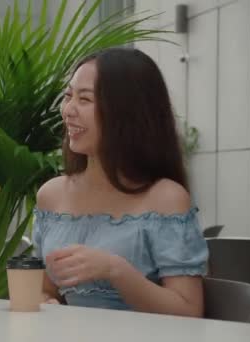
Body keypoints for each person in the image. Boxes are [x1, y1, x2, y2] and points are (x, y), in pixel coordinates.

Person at [35, 48, 208, 316]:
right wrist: (44, 299)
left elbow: (189, 311)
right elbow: (46, 289)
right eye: (68, 96)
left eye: (85, 99)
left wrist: (116, 270)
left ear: (127, 111)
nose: (68, 110)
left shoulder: (166, 198)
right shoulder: (51, 195)